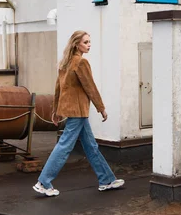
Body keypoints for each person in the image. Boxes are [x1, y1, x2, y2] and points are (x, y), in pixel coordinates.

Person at [33, 30, 124, 197]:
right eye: (85, 42)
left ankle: (106, 180)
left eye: (89, 42)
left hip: (74, 110)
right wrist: (101, 107)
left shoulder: (65, 63)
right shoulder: (81, 63)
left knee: (91, 146)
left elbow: (58, 88)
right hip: (78, 111)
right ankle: (44, 182)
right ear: (76, 44)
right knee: (65, 146)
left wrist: (56, 110)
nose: (89, 45)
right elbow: (90, 87)